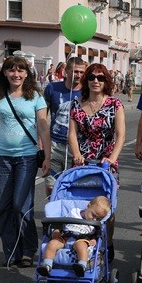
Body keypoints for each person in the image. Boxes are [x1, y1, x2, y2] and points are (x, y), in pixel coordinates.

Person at [0, 56, 51, 267]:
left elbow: (43, 127)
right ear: (5, 73)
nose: (16, 74)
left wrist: (47, 156)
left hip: (27, 157)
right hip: (2, 157)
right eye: (12, 70)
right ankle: (12, 250)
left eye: (20, 70)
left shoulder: (35, 96)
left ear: (26, 73)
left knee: (20, 204)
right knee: (2, 207)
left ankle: (28, 249)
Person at [68, 63, 125, 261]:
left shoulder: (115, 104)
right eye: (92, 77)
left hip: (106, 161)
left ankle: (108, 242)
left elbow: (120, 135)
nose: (95, 81)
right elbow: (72, 133)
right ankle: (82, 239)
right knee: (82, 201)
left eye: (100, 78)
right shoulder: (76, 104)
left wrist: (112, 158)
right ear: (86, 80)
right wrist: (76, 154)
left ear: (106, 81)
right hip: (82, 160)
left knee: (107, 206)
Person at [36, 195, 111, 277]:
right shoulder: (74, 212)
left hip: (81, 239)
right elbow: (61, 222)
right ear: (88, 206)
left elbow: (97, 234)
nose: (94, 219)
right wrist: (57, 231)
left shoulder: (94, 224)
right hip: (64, 237)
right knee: (52, 243)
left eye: (98, 219)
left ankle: (81, 266)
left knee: (81, 246)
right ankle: (47, 265)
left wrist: (94, 240)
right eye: (93, 215)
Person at [43, 57, 87, 196]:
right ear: (66, 71)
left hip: (77, 148)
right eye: (75, 71)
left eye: (81, 72)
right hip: (55, 145)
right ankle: (53, 208)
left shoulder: (87, 91)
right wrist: (41, 145)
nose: (78, 75)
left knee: (71, 189)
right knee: (51, 187)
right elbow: (42, 118)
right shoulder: (52, 88)